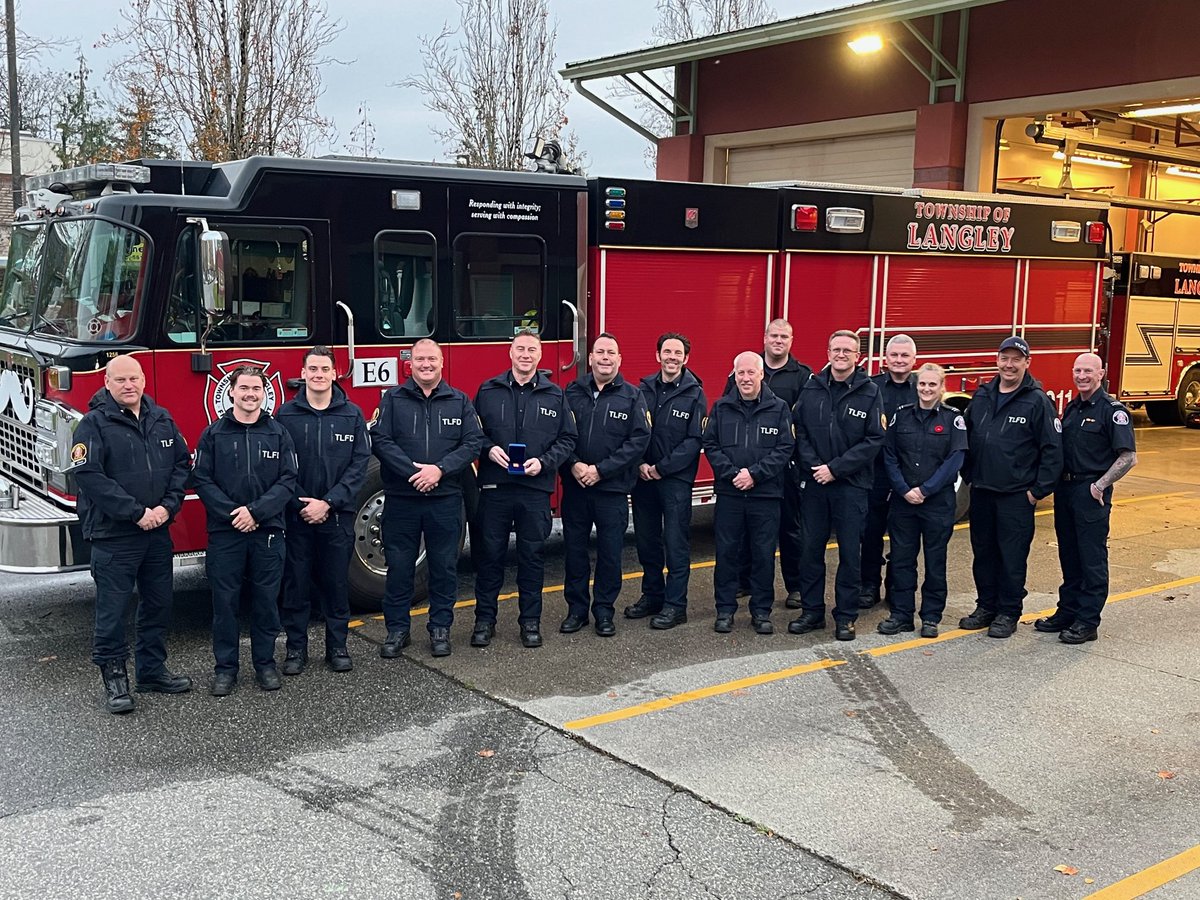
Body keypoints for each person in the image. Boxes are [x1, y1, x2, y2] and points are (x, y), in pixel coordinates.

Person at [71, 355, 192, 714]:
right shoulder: (92, 425)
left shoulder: (161, 418)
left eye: (134, 378)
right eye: (121, 380)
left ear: (143, 380)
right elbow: (89, 477)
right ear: (107, 383)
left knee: (158, 604)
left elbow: (181, 465)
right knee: (112, 612)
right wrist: (136, 512)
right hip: (115, 535)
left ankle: (151, 671)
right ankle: (116, 682)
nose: (129, 385)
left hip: (157, 531)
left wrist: (167, 507)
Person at [372, 338, 483, 658]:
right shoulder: (392, 399)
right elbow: (380, 440)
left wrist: (439, 470)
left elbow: (472, 443)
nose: (426, 364)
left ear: (441, 363)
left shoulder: (459, 401)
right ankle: (397, 630)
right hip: (402, 499)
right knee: (399, 568)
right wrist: (413, 473)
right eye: (420, 359)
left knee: (444, 568)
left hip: (445, 499)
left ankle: (440, 629)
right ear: (411, 364)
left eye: (432, 359)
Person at [193, 365, 299, 695]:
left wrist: (255, 512)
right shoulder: (213, 434)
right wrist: (233, 514)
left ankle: (265, 665)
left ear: (264, 393)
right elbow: (202, 480)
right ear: (232, 392)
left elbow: (288, 480)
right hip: (226, 533)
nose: (250, 394)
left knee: (266, 603)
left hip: (267, 531)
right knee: (225, 604)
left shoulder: (278, 434)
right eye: (244, 388)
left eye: (256, 389)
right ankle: (225, 670)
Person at [471, 329, 577, 649]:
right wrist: (489, 449)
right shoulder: (487, 390)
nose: (526, 355)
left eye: (532, 349)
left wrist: (543, 463)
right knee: (489, 557)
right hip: (495, 487)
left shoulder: (555, 395)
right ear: (510, 352)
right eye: (520, 349)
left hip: (534, 489)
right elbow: (472, 433)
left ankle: (530, 622)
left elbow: (568, 439)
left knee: (532, 558)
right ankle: (484, 621)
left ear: (540, 355)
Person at [959, 336, 1062, 639]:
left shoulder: (1037, 401)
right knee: (984, 553)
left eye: (1016, 359)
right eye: (1005, 358)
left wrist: (1037, 491)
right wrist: (969, 475)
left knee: (1011, 557)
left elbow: (1053, 450)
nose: (1009, 364)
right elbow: (964, 437)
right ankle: (986, 606)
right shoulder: (982, 395)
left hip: (1016, 496)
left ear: (1027, 363)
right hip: (982, 491)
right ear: (997, 360)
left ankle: (1008, 611)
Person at [276, 346, 370, 675]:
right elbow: (280, 468)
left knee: (336, 585)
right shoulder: (285, 416)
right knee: (295, 585)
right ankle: (296, 650)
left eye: (324, 369)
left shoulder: (352, 415)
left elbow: (359, 466)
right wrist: (302, 503)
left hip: (337, 516)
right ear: (303, 374)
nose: (318, 375)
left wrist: (328, 502)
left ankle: (337, 647)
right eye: (312, 369)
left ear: (335, 373)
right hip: (297, 516)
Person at [789, 330, 886, 642]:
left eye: (847, 350)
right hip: (815, 483)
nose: (841, 355)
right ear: (827, 352)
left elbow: (874, 439)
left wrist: (835, 469)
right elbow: (799, 431)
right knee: (810, 550)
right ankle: (812, 612)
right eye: (836, 349)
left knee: (849, 554)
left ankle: (845, 617)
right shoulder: (812, 387)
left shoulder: (870, 392)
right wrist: (816, 467)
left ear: (857, 356)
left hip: (851, 486)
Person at [1036, 353, 1136, 644]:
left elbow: (1128, 457)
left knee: (1091, 558)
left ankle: (1088, 621)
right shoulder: (1072, 407)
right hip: (1066, 490)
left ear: (1101, 374)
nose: (1082, 376)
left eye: (1088, 371)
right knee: (1069, 555)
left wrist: (1100, 485)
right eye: (1077, 370)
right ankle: (1067, 611)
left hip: (1090, 492)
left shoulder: (1112, 410)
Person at [560, 333, 651, 636]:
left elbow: (638, 441)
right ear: (591, 358)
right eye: (600, 352)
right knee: (574, 553)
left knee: (610, 555)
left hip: (612, 490)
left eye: (611, 353)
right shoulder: (572, 391)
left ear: (619, 359)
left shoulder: (633, 396)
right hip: (576, 487)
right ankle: (576, 611)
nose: (605, 358)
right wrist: (574, 464)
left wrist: (601, 470)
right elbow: (559, 433)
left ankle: (603, 612)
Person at [703, 351, 795, 634]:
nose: (745, 378)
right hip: (730, 494)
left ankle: (761, 612)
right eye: (740, 373)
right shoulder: (721, 408)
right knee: (727, 554)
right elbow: (711, 445)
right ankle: (725, 610)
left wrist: (754, 474)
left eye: (751, 372)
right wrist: (733, 474)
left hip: (765, 496)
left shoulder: (779, 408)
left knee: (763, 555)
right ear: (734, 376)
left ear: (761, 374)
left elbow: (785, 448)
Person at [726, 319, 812, 608]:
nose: (778, 340)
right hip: (746, 467)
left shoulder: (802, 376)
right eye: (774, 335)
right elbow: (728, 411)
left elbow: (804, 422)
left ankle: (796, 586)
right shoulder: (744, 369)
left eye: (784, 336)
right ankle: (745, 581)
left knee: (790, 527)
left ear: (791, 341)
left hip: (783, 467)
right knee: (747, 528)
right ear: (764, 338)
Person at [878, 363, 967, 638]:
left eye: (932, 384)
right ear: (916, 387)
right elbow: (889, 454)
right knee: (902, 561)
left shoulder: (953, 419)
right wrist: (904, 489)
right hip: (903, 501)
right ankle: (901, 615)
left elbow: (955, 459)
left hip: (937, 503)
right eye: (922, 384)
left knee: (935, 562)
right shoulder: (901, 416)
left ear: (942, 388)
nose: (926, 389)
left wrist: (926, 490)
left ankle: (930, 617)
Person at [628, 332, 708, 629]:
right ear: (657, 355)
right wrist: (639, 463)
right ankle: (652, 596)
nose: (672, 357)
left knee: (676, 544)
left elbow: (694, 441)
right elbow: (633, 431)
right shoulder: (643, 389)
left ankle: (676, 605)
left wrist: (661, 468)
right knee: (647, 542)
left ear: (686, 359)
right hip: (643, 478)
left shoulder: (695, 393)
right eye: (667, 352)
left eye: (678, 353)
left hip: (674, 481)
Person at [861, 334, 918, 609]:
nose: (899, 360)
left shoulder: (922, 388)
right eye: (894, 355)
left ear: (914, 359)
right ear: (885, 358)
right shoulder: (871, 387)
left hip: (908, 475)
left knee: (903, 535)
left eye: (904, 355)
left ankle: (896, 587)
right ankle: (868, 586)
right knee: (870, 533)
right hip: (875, 473)